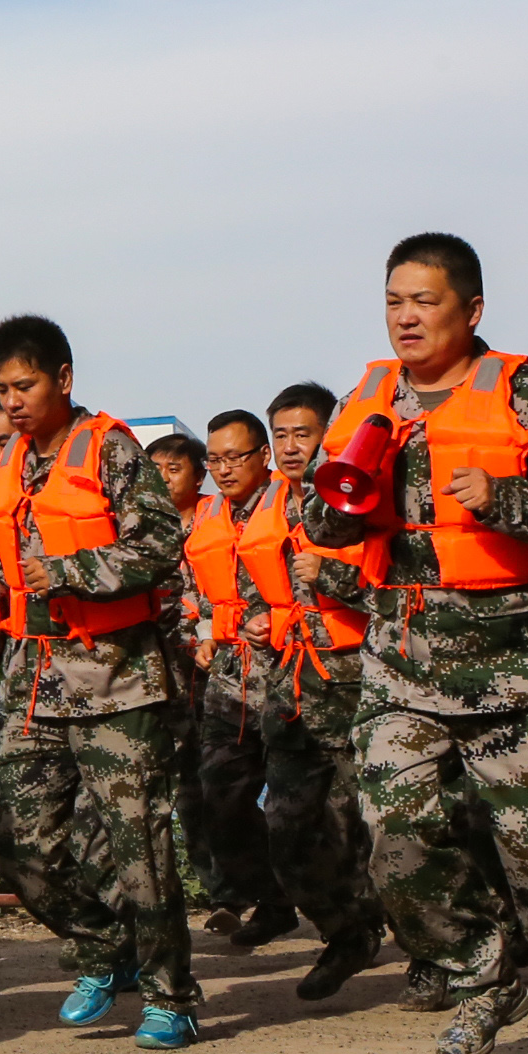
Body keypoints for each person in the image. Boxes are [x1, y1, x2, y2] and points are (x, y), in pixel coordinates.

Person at [297, 233, 528, 1054]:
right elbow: (320, 516)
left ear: (471, 309)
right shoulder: (368, 397)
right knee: (395, 836)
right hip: (403, 661)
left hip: (516, 662)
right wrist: (343, 505)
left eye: (425, 301)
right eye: (393, 302)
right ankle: (482, 970)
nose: (406, 318)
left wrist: (506, 498)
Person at [0, 315, 200, 1050]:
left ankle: (170, 997)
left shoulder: (110, 449)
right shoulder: (15, 463)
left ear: (63, 379)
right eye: (4, 390)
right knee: (16, 839)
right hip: (34, 678)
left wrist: (66, 574)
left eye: (26, 385)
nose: (15, 401)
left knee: (140, 846)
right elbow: (18, 555)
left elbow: (163, 546)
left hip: (116, 680)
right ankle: (104, 946)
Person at [232, 382, 386, 1000]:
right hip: (291, 691)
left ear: (329, 436)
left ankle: (436, 947)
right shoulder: (265, 508)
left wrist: (336, 575)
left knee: (369, 830)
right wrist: (253, 618)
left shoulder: (361, 501)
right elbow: (251, 586)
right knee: (288, 827)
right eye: (282, 437)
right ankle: (347, 930)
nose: (292, 448)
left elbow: (405, 592)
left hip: (363, 685)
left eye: (304, 434)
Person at [178, 415, 295, 948]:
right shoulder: (207, 521)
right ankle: (268, 899)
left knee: (299, 806)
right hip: (228, 680)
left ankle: (344, 911)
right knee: (219, 796)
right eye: (216, 460)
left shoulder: (294, 505)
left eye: (236, 457)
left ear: (263, 455)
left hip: (294, 675)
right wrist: (203, 632)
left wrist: (282, 618)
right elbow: (200, 594)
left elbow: (331, 571)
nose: (224, 469)